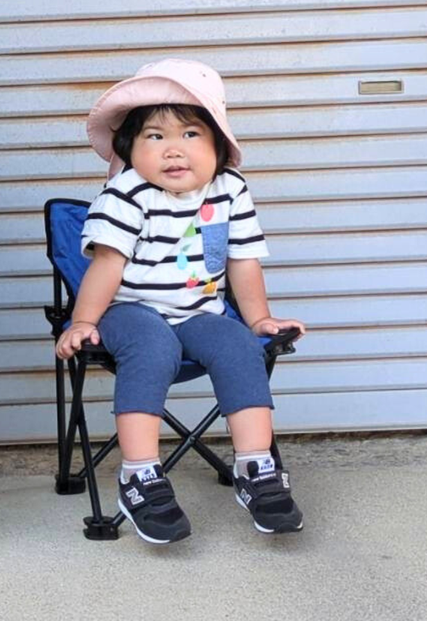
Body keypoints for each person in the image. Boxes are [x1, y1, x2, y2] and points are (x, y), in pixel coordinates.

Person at [55, 59, 307, 543]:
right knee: (153, 345)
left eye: (191, 134)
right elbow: (106, 265)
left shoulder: (230, 189)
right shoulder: (126, 193)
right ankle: (140, 475)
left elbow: (242, 261)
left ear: (218, 144)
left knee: (238, 344)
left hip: (198, 312)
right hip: (129, 313)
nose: (173, 149)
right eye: (154, 136)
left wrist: (259, 319)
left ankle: (256, 467)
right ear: (130, 149)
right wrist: (82, 321)